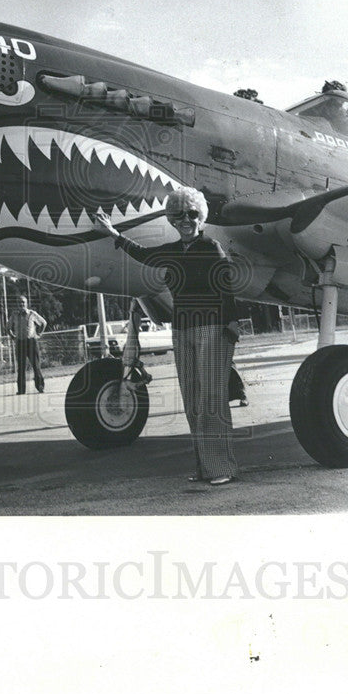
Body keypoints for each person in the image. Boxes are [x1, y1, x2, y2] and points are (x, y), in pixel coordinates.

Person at [95, 187, 241, 486]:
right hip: (182, 328)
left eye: (191, 214)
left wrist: (232, 323)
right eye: (178, 215)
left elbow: (226, 288)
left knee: (211, 399)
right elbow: (143, 255)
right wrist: (112, 233)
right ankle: (205, 468)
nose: (185, 220)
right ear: (172, 219)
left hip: (212, 328)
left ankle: (222, 468)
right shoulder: (172, 250)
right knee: (192, 400)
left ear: (200, 218)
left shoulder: (211, 247)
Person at [8, 294, 47, 394]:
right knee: (21, 367)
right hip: (20, 342)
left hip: (31, 342)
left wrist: (39, 334)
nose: (21, 304)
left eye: (23, 302)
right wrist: (12, 336)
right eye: (19, 302)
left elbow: (43, 323)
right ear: (17, 304)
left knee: (36, 365)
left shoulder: (32, 314)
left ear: (26, 303)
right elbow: (8, 327)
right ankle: (21, 390)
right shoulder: (14, 315)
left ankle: (40, 386)